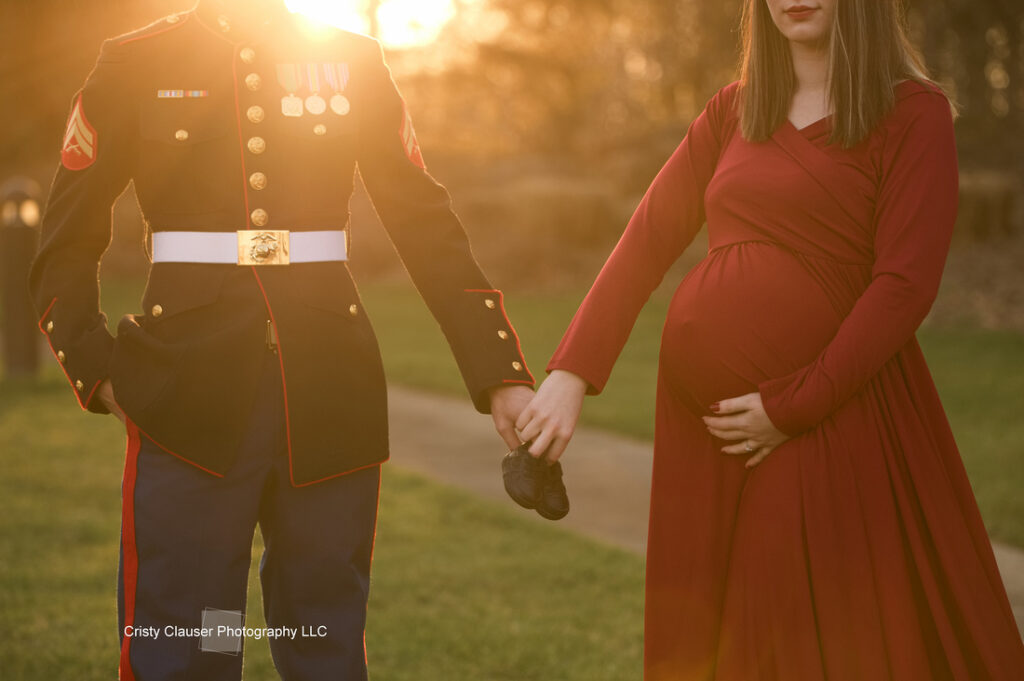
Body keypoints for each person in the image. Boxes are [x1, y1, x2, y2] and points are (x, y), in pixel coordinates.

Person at [515, 0, 1024, 678]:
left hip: (826, 413)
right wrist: (571, 372)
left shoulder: (913, 112)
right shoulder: (733, 111)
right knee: (715, 628)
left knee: (804, 630)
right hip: (709, 431)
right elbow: (649, 237)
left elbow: (905, 284)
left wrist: (792, 406)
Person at [30, 0, 535, 678]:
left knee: (322, 636)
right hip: (186, 397)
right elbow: (64, 243)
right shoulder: (135, 60)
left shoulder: (352, 60)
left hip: (330, 390)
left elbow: (425, 223)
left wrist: (497, 370)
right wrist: (99, 372)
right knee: (192, 641)